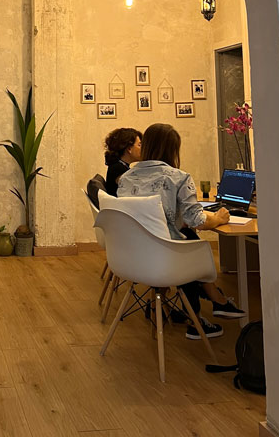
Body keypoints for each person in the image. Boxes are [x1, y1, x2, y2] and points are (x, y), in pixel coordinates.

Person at [117, 123, 245, 339]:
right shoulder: (178, 177)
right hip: (166, 257)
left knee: (185, 239)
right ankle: (204, 311)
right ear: (173, 149)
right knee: (192, 244)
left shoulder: (126, 178)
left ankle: (210, 304)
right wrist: (219, 218)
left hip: (131, 256)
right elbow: (197, 219)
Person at [104, 128, 143, 196]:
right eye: (139, 145)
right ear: (129, 149)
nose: (143, 149)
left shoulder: (119, 165)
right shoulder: (118, 169)